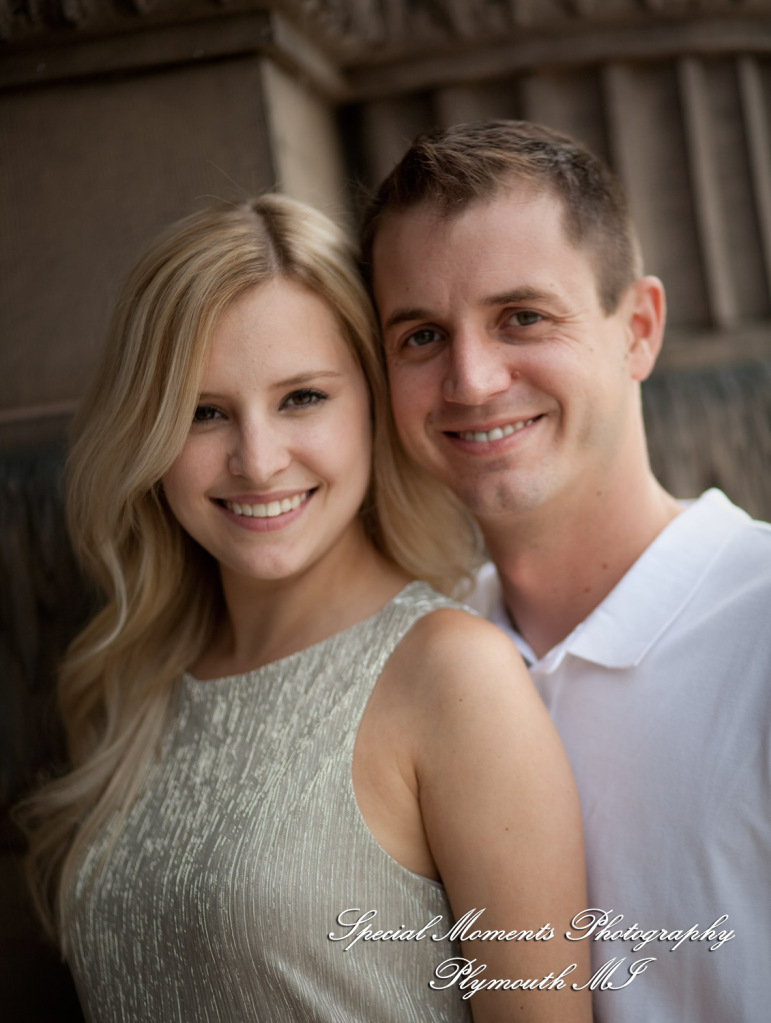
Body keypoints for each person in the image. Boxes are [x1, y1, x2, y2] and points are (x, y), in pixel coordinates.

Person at [17, 193, 592, 1023]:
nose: (257, 460)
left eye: (302, 398)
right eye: (203, 412)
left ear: (370, 403)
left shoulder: (451, 674)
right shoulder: (134, 682)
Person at [363, 119, 771, 1023]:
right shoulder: (413, 668)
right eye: (421, 336)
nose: (469, 379)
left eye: (521, 317)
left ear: (637, 329)